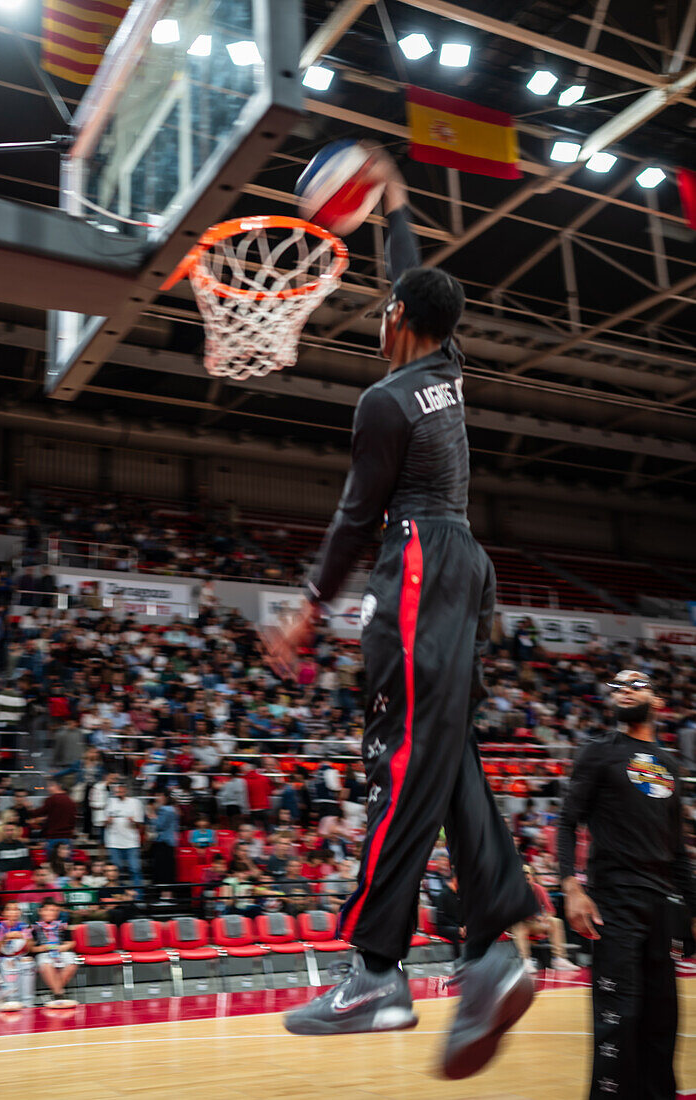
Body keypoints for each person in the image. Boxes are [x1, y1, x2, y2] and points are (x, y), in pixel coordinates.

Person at [272, 150, 536, 1076]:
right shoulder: (450, 368)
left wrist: (308, 611)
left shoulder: (384, 401)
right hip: (468, 567)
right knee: (446, 751)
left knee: (400, 754)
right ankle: (491, 951)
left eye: (387, 308)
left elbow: (353, 521)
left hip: (420, 560)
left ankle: (376, 972)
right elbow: (413, 277)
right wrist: (394, 207)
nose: (380, 315)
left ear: (400, 323)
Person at [558, 669, 696, 1100]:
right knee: (619, 1019)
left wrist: (693, 912)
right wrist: (571, 887)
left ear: (656, 700)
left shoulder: (670, 764)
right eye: (617, 687)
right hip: (614, 904)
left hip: (662, 907)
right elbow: (566, 821)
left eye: (637, 684)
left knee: (662, 1022)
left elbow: (678, 852)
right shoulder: (598, 753)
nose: (625, 690)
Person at [510, 865, 578, 973]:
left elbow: (550, 910)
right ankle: (525, 960)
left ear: (533, 878)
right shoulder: (513, 891)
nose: (525, 881)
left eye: (527, 878)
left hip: (534, 923)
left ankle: (559, 959)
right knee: (519, 925)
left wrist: (545, 918)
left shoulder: (539, 889)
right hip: (516, 923)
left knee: (555, 922)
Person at [31, 898, 79, 1007]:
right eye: (47, 910)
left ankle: (55, 992)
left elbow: (71, 943)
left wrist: (61, 947)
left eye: (54, 910)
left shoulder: (62, 926)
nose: (50, 913)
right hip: (44, 952)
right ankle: (59, 994)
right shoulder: (35, 928)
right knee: (46, 965)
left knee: (72, 963)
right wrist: (44, 947)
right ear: (41, 911)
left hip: (61, 951)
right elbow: (31, 948)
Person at [0, 901, 35, 1009]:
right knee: (9, 964)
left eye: (16, 909)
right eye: (10, 909)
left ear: (19, 913)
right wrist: (5, 938)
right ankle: (11, 1000)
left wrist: (23, 936)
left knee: (28, 963)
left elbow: (29, 948)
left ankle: (27, 1001)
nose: (13, 912)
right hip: (4, 959)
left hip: (20, 957)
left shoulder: (25, 927)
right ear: (4, 913)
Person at [103, 781, 144, 890]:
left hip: (131, 841)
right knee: (116, 871)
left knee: (135, 869)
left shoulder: (135, 802)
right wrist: (107, 821)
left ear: (126, 790)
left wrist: (134, 821)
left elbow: (140, 823)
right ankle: (118, 895)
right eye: (117, 789)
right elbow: (103, 822)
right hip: (114, 841)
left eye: (121, 789)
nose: (118, 791)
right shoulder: (110, 802)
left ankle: (138, 897)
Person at [147, 789, 179, 885]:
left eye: (159, 795)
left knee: (164, 871)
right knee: (165, 870)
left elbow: (159, 825)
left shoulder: (165, 809)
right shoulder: (172, 809)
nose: (157, 798)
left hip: (164, 842)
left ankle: (165, 895)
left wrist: (152, 816)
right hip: (168, 842)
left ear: (165, 797)